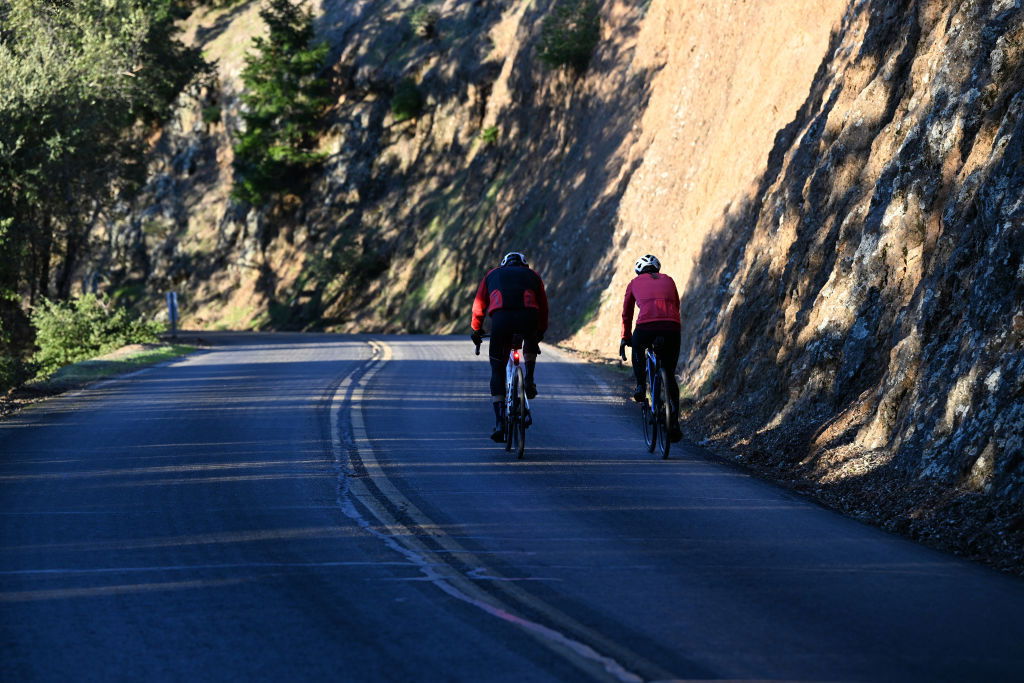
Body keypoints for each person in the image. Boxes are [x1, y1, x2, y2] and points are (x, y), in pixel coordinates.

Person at [471, 252, 549, 442]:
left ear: (503, 264)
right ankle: (529, 379)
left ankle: (499, 423)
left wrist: (476, 329)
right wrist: (540, 332)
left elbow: (479, 306)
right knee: (531, 339)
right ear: (524, 264)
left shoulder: (492, 274)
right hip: (528, 317)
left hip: (501, 320)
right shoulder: (533, 275)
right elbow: (543, 307)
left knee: (497, 369)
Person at [619, 254, 683, 442]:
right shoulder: (669, 280)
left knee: (638, 347)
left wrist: (626, 337)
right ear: (657, 269)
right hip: (672, 326)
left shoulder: (634, 283)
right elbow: (676, 305)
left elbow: (627, 313)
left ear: (639, 271)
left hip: (646, 326)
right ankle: (675, 423)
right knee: (669, 375)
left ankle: (640, 385)